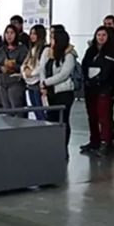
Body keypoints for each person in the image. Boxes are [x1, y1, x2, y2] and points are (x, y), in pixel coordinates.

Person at [80, 26, 114, 156]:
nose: (101, 37)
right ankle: (94, 140)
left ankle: (106, 142)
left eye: (104, 35)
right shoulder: (91, 51)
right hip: (90, 87)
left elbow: (111, 70)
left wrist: (100, 78)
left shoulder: (112, 51)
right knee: (92, 115)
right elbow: (84, 65)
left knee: (104, 116)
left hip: (104, 87)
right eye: (98, 35)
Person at [40, 26, 77, 156]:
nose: (51, 40)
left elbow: (64, 74)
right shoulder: (47, 52)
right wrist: (42, 84)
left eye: (53, 38)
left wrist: (46, 82)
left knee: (63, 120)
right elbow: (42, 69)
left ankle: (63, 148)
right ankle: (52, 147)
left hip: (64, 92)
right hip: (49, 93)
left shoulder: (69, 55)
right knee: (51, 120)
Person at [0, 25, 28, 115]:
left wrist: (13, 66)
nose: (9, 35)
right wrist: (1, 68)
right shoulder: (1, 49)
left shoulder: (22, 49)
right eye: (7, 33)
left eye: (12, 33)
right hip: (3, 84)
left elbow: (26, 66)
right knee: (6, 110)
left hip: (15, 82)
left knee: (16, 108)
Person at [22, 24, 48, 120]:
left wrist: (31, 73)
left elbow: (42, 66)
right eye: (31, 33)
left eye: (35, 34)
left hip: (38, 83)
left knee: (40, 110)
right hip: (30, 83)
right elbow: (24, 64)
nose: (32, 36)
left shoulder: (44, 50)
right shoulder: (32, 49)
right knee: (35, 110)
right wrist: (25, 72)